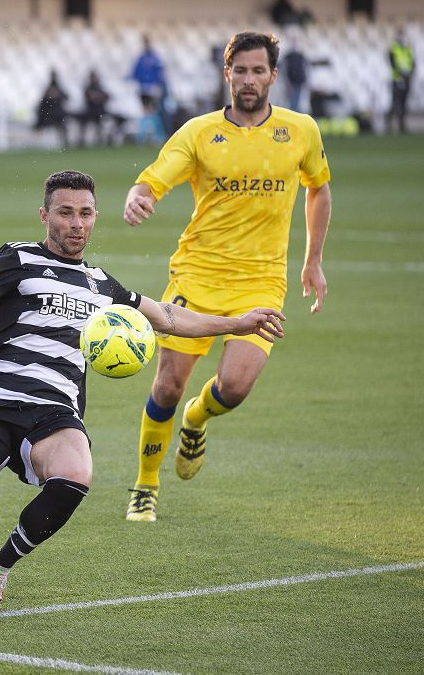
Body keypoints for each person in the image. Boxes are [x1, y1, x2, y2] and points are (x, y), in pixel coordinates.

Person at [0, 170, 286, 615]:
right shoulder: (17, 259)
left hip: (56, 411)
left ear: (95, 217)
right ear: (45, 215)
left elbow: (170, 318)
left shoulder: (104, 286)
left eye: (86, 213)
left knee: (77, 473)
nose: (77, 223)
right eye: (65, 213)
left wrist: (237, 322)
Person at [121, 31, 332, 522]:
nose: (250, 79)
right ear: (227, 74)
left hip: (261, 282)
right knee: (167, 386)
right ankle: (146, 485)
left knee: (234, 388)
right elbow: (158, 174)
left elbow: (319, 190)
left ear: (274, 76)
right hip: (196, 275)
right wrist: (140, 194)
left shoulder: (301, 131)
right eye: (241, 70)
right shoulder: (198, 132)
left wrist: (313, 259)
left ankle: (197, 420)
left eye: (259, 71)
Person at [386, 29, 415, 134]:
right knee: (396, 103)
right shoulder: (393, 49)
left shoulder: (408, 49)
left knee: (404, 104)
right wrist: (402, 73)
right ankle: (389, 123)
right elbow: (392, 63)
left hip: (406, 80)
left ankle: (402, 125)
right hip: (397, 79)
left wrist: (410, 74)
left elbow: (413, 63)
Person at [34, 70, 69, 149]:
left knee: (62, 126)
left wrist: (57, 95)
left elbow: (66, 97)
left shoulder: (59, 88)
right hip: (49, 115)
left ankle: (65, 144)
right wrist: (50, 96)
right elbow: (43, 103)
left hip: (59, 115)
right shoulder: (48, 89)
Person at [79, 70, 110, 146]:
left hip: (100, 111)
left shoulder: (99, 87)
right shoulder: (88, 88)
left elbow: (106, 96)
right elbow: (88, 98)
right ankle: (82, 141)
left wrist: (97, 97)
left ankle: (102, 140)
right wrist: (97, 97)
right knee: (84, 122)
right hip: (90, 111)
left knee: (101, 124)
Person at [281, 41, 308, 113]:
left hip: (299, 82)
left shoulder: (301, 56)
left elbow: (304, 68)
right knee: (291, 102)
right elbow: (285, 70)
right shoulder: (287, 56)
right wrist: (287, 83)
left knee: (298, 102)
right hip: (291, 83)